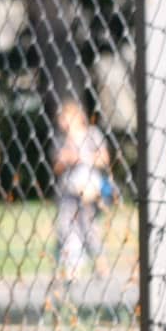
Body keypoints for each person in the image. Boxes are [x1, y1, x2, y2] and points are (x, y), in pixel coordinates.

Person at [53, 99, 111, 279]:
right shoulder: (61, 139)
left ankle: (101, 265)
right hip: (69, 189)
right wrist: (67, 158)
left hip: (88, 188)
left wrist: (83, 157)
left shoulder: (92, 134)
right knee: (67, 227)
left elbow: (104, 158)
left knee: (89, 227)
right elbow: (57, 165)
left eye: (67, 118)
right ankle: (73, 268)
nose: (63, 123)